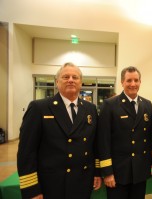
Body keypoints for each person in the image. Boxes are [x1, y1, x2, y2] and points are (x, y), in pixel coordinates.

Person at [17, 62, 101, 199]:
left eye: (75, 77)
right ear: (57, 82)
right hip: (51, 184)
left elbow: (94, 145)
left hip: (83, 181)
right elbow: (26, 152)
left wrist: (97, 172)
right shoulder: (39, 108)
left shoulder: (90, 108)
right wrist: (31, 189)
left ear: (81, 83)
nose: (71, 80)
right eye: (65, 77)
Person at [97, 66, 152, 199]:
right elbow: (103, 141)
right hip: (118, 172)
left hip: (140, 170)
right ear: (122, 82)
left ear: (140, 82)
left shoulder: (147, 104)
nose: (133, 84)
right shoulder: (110, 105)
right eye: (129, 80)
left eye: (136, 80)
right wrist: (107, 172)